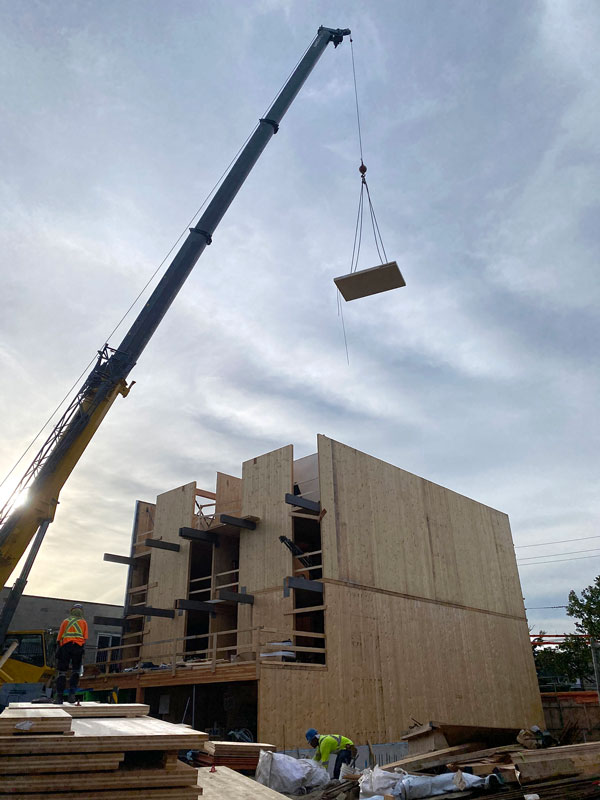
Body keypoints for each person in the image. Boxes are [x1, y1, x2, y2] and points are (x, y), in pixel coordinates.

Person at [54, 602, 88, 704]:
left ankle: (59, 697)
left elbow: (59, 638)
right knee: (75, 671)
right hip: (77, 647)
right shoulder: (83, 622)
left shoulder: (65, 621)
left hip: (65, 647)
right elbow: (85, 638)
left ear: (72, 611)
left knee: (62, 672)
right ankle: (71, 696)